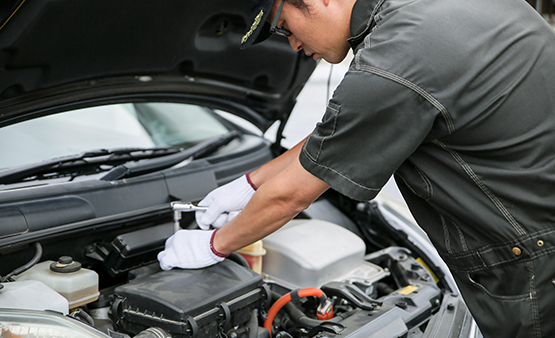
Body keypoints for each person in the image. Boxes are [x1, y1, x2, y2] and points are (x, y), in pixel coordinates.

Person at [157, 0, 555, 336]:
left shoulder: (399, 53)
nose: (294, 44)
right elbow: (344, 131)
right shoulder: (424, 13)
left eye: (284, 28)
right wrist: (249, 183)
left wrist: (214, 245)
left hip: (536, 266)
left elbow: (293, 195)